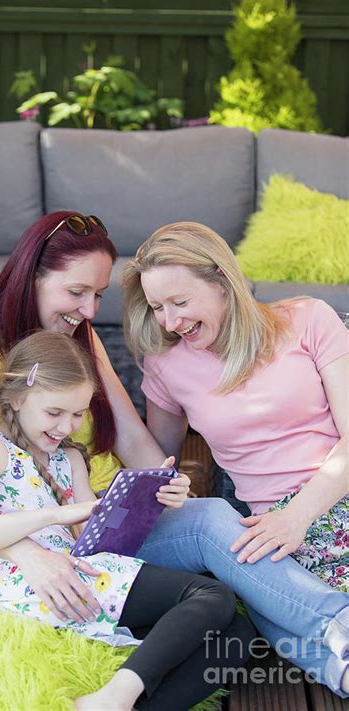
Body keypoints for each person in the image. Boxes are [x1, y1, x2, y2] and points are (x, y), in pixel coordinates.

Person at [0, 210, 347, 696]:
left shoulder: (81, 339)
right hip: (43, 538)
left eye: (97, 295)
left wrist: (166, 482)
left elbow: (135, 441)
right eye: (76, 293)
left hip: (110, 515)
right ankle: (336, 621)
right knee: (212, 522)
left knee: (227, 584)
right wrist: (28, 555)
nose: (90, 310)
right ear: (31, 277)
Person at [0, 331, 254, 711]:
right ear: (15, 398)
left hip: (86, 576)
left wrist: (147, 500)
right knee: (214, 596)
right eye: (54, 413)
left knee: (238, 631)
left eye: (77, 414)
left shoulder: (69, 458)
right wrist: (56, 514)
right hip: (37, 588)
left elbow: (91, 537)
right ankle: (115, 697)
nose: (65, 427)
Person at [123, 221, 349, 697]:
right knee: (269, 607)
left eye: (179, 303)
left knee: (274, 613)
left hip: (330, 497)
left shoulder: (308, 319)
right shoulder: (167, 365)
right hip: (266, 532)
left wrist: (297, 517)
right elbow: (157, 460)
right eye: (158, 307)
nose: (168, 321)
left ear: (223, 281)